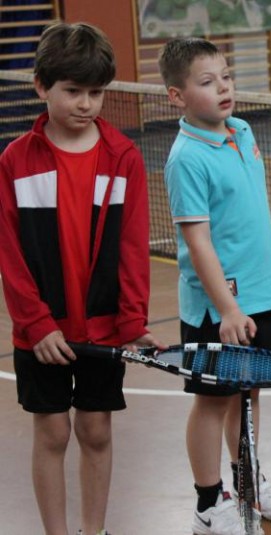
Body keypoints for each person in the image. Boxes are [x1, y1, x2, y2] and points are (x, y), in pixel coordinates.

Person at [0, 22, 161, 535]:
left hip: (104, 331)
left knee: (95, 430)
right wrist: (36, 324)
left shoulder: (123, 158)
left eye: (96, 92)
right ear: (42, 87)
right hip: (41, 334)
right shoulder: (15, 162)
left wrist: (133, 319)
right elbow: (9, 253)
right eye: (73, 91)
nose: (87, 103)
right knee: (51, 434)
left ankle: (95, 530)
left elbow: (134, 247)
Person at [158, 37, 271, 535]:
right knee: (214, 399)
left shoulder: (241, 130)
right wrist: (227, 309)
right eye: (206, 81)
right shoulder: (185, 158)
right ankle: (206, 502)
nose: (223, 87)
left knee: (250, 393)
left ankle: (249, 485)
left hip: (264, 296)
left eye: (226, 76)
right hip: (218, 308)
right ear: (176, 96)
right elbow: (198, 243)